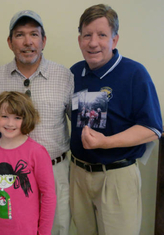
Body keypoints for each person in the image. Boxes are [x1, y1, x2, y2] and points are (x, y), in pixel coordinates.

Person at [70, 4, 163, 235]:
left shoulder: (134, 73)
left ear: (115, 39)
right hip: (78, 175)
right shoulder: (73, 74)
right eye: (87, 35)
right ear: (79, 38)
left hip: (116, 177)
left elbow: (152, 128)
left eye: (102, 35)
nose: (93, 42)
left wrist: (106, 142)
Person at [0, 10, 74, 234]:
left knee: (57, 227)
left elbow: (80, 123)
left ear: (43, 40)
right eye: (20, 35)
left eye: (34, 34)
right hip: (10, 174)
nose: (27, 42)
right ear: (10, 42)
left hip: (55, 169)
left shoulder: (64, 76)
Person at [0, 91, 56, 235]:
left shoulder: (37, 152)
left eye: (17, 117)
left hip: (26, 230)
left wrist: (43, 232)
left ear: (26, 119)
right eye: (4, 116)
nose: (10, 123)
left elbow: (48, 195)